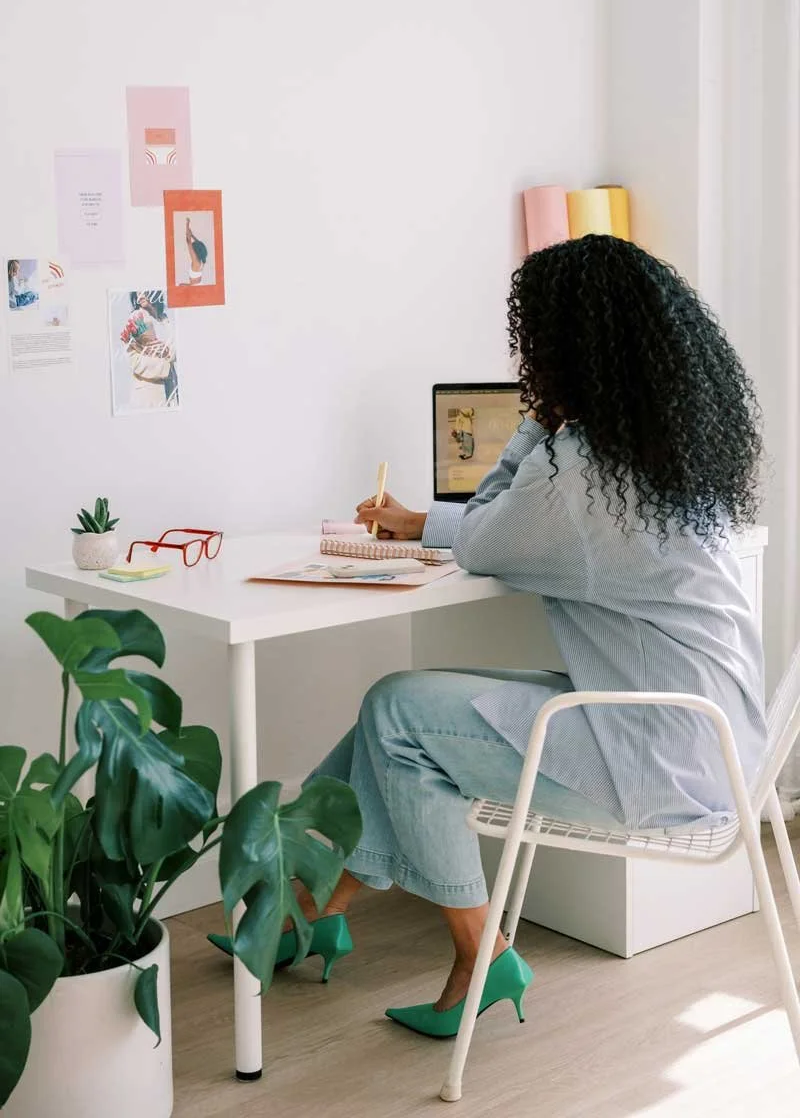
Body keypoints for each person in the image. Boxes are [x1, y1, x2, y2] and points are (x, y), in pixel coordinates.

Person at [210, 234, 767, 1039]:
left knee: (396, 714)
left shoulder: (583, 479)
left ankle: (479, 952)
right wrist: (423, 520)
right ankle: (308, 912)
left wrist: (534, 423)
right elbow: (505, 528)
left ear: (563, 352)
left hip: (657, 762)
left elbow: (488, 539)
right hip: (701, 737)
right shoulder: (661, 460)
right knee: (393, 725)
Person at [184, 217, 208, 285]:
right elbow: (199, 245)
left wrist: (187, 224)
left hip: (195, 287)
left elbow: (188, 242)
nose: (192, 250)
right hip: (196, 285)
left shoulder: (196, 262)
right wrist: (192, 235)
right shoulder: (202, 259)